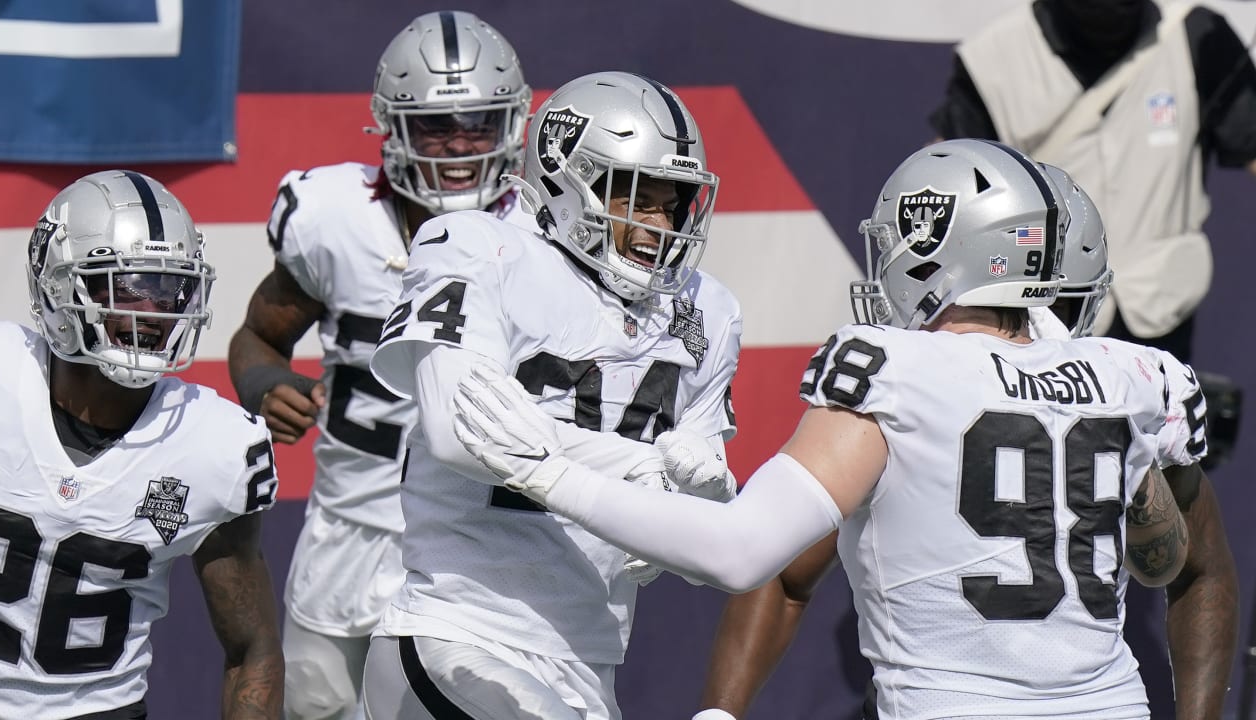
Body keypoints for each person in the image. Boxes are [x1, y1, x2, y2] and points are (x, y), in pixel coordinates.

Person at [452, 140, 1193, 719]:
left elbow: (741, 552)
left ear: (947, 250)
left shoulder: (900, 368)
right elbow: (1173, 564)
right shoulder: (1129, 378)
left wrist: (545, 472)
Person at [693, 164, 1239, 720]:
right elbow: (1197, 570)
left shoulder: (902, 381)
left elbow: (784, 569)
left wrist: (720, 712)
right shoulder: (1129, 385)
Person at [361, 70, 741, 719]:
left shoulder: (707, 312)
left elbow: (695, 551)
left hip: (589, 657)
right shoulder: (478, 248)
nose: (658, 224)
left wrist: (704, 501)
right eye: (636, 199)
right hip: (459, 634)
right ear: (572, 183)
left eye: (671, 203)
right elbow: (463, 432)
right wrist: (642, 470)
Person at [226, 11, 531, 719]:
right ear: (391, 127)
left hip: (481, 548)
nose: (458, 147)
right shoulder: (336, 220)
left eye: (479, 124)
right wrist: (265, 382)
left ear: (511, 124)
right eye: (434, 127)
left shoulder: (540, 235)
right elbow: (258, 334)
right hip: (349, 534)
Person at [0, 170, 282, 719]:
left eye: (169, 288)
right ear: (57, 287)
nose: (153, 310)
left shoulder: (213, 445)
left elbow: (252, 647)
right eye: (127, 285)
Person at [929, 0, 1256, 364]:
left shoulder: (1195, 33)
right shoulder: (991, 60)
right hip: (1040, 324)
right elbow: (953, 187)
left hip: (1160, 319)